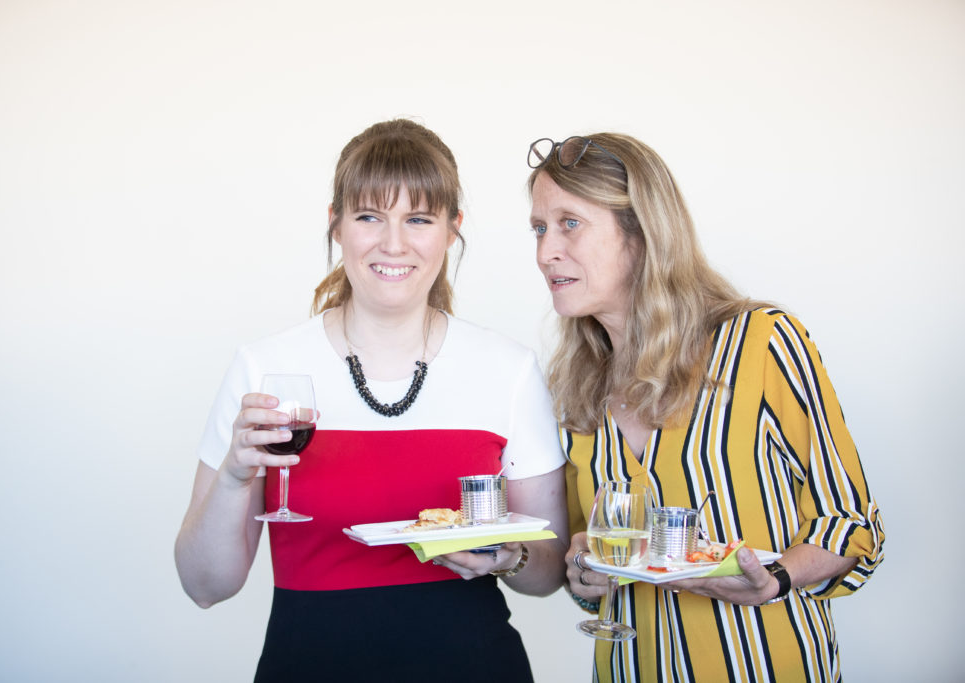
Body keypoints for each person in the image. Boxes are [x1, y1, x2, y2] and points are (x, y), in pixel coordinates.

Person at [174, 119, 568, 682]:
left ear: (453, 229)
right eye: (368, 216)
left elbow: (546, 574)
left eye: (419, 219)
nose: (393, 243)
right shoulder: (263, 369)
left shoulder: (509, 369)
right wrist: (235, 478)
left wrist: (515, 557)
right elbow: (204, 587)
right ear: (335, 223)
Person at [525, 134, 884, 682]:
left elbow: (851, 522)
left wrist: (778, 577)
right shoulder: (573, 386)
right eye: (540, 227)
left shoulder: (762, 344)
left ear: (641, 233)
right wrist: (583, 573)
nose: (546, 251)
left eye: (570, 222)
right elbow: (588, 555)